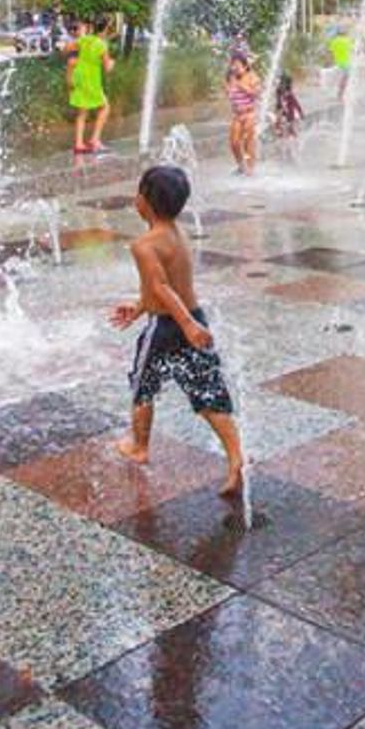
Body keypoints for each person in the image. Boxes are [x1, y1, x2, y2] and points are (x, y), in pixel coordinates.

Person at [109, 165, 243, 497]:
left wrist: (180, 323)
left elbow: (162, 288)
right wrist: (141, 306)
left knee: (142, 386)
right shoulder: (176, 234)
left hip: (167, 327)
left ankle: (139, 446)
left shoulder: (144, 244)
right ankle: (237, 457)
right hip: (195, 318)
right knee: (207, 392)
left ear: (144, 202)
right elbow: (169, 286)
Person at [64, 20, 113, 156]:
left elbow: (66, 49)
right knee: (105, 107)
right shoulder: (102, 45)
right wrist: (112, 63)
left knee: (82, 112)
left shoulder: (83, 40)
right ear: (105, 29)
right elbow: (108, 68)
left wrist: (76, 60)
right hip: (91, 78)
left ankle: (79, 144)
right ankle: (94, 140)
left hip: (79, 75)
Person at [224, 51, 261, 174]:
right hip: (237, 115)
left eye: (237, 66)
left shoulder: (252, 77)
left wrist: (241, 86)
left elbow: (256, 94)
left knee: (248, 142)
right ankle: (241, 166)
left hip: (249, 114)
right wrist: (228, 89)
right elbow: (230, 95)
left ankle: (250, 169)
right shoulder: (230, 78)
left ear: (245, 66)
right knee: (234, 143)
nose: (235, 68)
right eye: (233, 65)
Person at [272, 73, 305, 140]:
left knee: (290, 128)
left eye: (282, 83)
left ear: (286, 84)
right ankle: (280, 135)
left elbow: (296, 103)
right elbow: (278, 102)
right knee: (278, 124)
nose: (280, 84)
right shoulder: (278, 91)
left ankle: (292, 138)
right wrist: (278, 110)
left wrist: (301, 112)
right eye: (280, 82)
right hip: (281, 111)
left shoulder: (290, 94)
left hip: (289, 114)